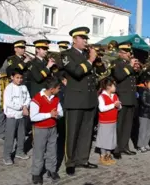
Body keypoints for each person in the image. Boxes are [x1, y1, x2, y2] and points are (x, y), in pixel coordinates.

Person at [59, 27, 99, 175]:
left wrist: (97, 60)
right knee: (72, 132)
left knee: (86, 132)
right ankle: (70, 162)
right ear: (74, 39)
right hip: (75, 100)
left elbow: (99, 73)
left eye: (86, 38)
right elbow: (76, 72)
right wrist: (91, 59)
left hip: (89, 99)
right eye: (83, 38)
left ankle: (83, 159)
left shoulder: (88, 56)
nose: (86, 41)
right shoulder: (66, 55)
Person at [30, 77, 63, 184]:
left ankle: (51, 170)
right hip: (40, 129)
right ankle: (36, 173)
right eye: (58, 88)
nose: (60, 90)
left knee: (52, 150)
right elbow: (33, 117)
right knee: (39, 152)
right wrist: (50, 114)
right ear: (52, 89)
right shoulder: (37, 99)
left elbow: (61, 112)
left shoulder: (55, 98)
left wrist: (56, 114)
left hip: (52, 128)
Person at [111, 42, 138, 159]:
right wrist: (130, 67)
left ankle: (125, 146)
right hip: (122, 97)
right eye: (127, 52)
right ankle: (116, 148)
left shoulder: (128, 64)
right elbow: (119, 76)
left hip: (131, 98)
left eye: (129, 52)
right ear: (120, 53)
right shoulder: (116, 63)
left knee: (128, 125)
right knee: (119, 124)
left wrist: (137, 69)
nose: (129, 54)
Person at [3, 70, 31, 165]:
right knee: (10, 137)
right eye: (17, 78)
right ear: (12, 77)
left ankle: (20, 151)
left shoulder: (24, 87)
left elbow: (28, 98)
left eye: (21, 78)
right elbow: (8, 102)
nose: (19, 80)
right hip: (12, 116)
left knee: (21, 135)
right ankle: (7, 156)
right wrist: (21, 107)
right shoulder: (9, 88)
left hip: (22, 115)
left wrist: (26, 106)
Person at [96, 78, 121, 165]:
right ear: (108, 87)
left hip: (113, 121)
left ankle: (109, 154)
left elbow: (119, 107)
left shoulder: (115, 96)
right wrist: (113, 105)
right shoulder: (101, 96)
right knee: (104, 139)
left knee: (111, 139)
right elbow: (102, 109)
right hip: (104, 121)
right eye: (114, 85)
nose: (115, 87)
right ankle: (103, 155)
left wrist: (118, 106)